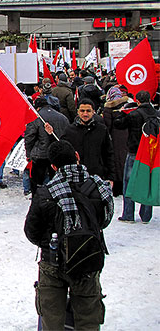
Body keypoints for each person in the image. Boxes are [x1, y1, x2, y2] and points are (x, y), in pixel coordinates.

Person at [24, 140, 114, 330]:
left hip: (53, 262)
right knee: (88, 318)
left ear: (53, 166)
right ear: (77, 157)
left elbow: (31, 231)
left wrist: (52, 243)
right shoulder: (99, 187)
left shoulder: (46, 193)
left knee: (52, 318)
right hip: (88, 259)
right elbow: (105, 220)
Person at [114, 90, 160, 223]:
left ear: (137, 101)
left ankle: (128, 214)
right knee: (148, 181)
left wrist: (122, 111)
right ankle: (146, 215)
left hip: (135, 152)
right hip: (152, 152)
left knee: (129, 182)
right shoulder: (157, 114)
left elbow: (119, 124)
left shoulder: (134, 114)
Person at [61, 98, 114, 181]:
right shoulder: (69, 131)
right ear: (78, 112)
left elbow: (108, 153)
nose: (85, 114)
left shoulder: (102, 129)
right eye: (82, 111)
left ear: (93, 112)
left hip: (97, 175)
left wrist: (111, 177)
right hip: (76, 176)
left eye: (88, 111)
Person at [25, 97, 70, 194]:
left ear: (37, 107)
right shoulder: (62, 117)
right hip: (58, 154)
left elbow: (29, 137)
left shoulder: (36, 117)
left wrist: (28, 153)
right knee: (57, 181)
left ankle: (38, 199)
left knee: (37, 182)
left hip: (40, 155)